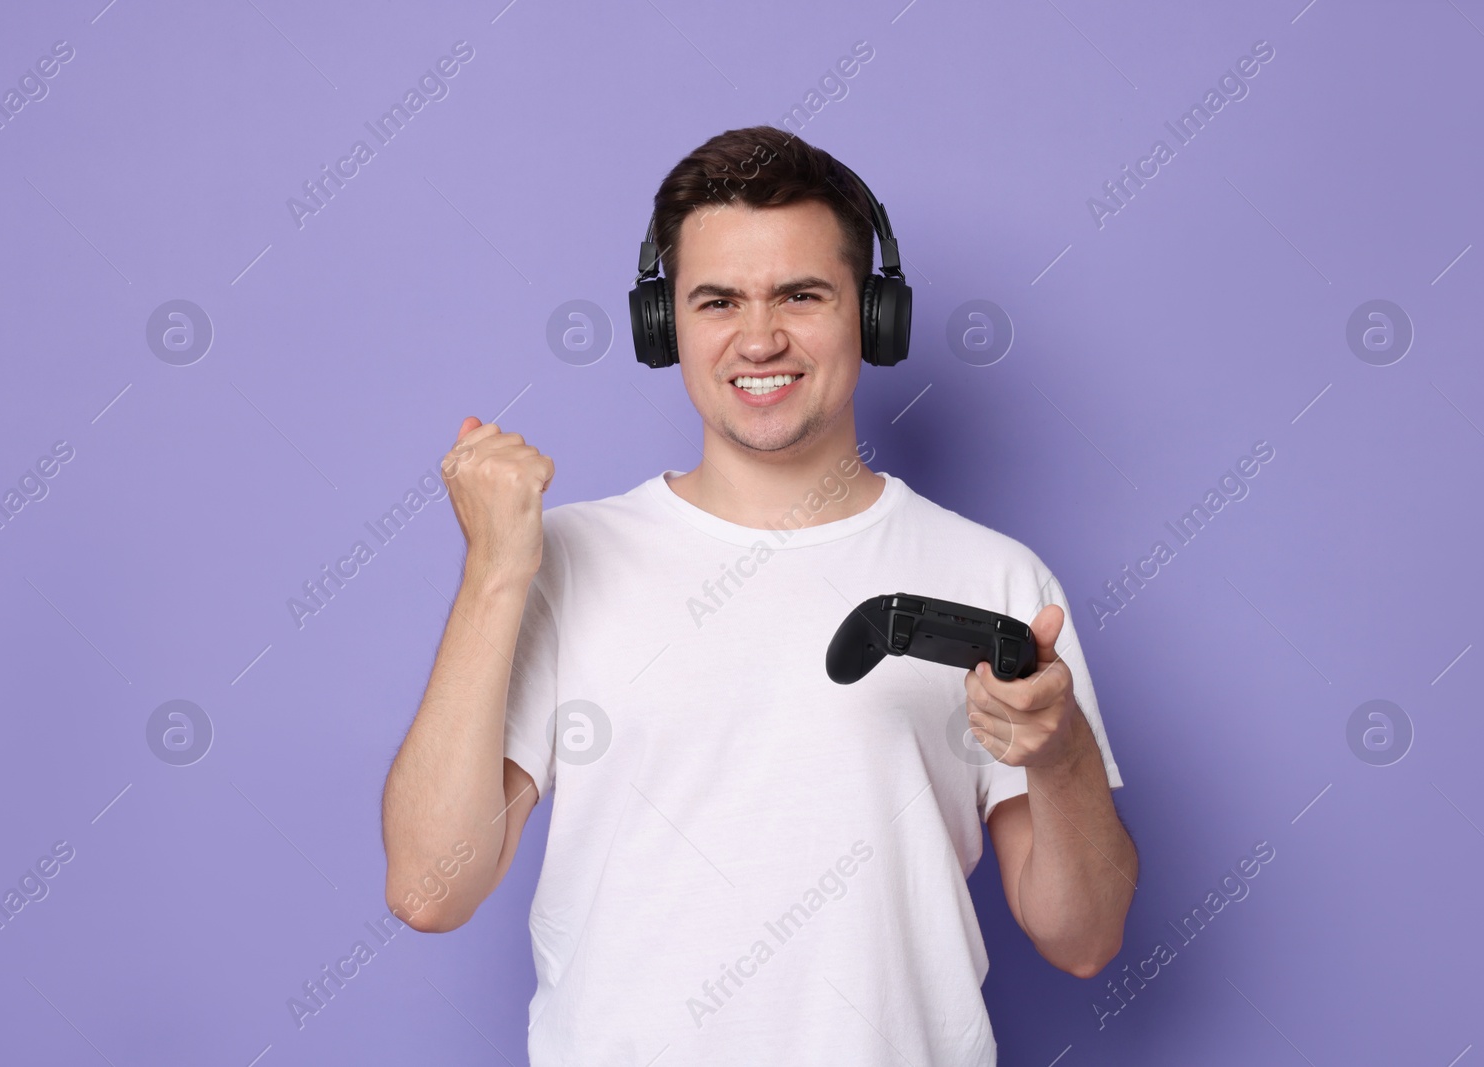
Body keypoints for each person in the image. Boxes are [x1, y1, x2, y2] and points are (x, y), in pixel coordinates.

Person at [380, 125, 1137, 1066]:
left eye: (801, 295)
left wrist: (1061, 754)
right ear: (666, 327)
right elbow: (427, 888)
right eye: (717, 300)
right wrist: (494, 573)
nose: (760, 337)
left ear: (874, 314)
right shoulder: (561, 561)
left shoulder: (994, 579)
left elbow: (1085, 936)